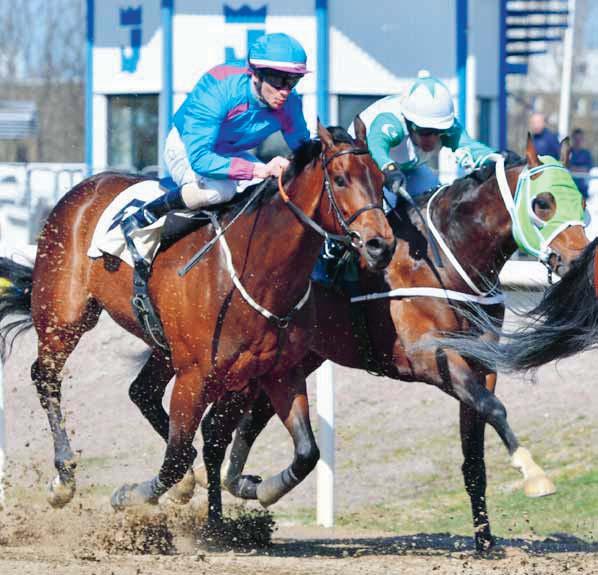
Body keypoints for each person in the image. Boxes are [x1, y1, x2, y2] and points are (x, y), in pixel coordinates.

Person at [121, 32, 310, 239]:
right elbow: (201, 159)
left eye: (292, 81)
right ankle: (148, 215)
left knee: (269, 191)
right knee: (220, 190)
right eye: (277, 80)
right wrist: (259, 169)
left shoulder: (291, 102)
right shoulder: (218, 89)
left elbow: (305, 149)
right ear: (255, 75)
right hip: (188, 148)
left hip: (231, 152)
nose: (285, 91)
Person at [350, 70, 497, 210]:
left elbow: (469, 146)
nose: (432, 139)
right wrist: (389, 167)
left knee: (434, 202)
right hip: (369, 165)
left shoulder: (446, 124)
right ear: (409, 123)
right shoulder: (393, 122)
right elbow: (377, 146)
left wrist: (499, 158)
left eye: (438, 131)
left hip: (408, 167)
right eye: (425, 131)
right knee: (387, 208)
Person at [569, 128, 593, 199]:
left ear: (582, 139)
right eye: (576, 139)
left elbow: (587, 169)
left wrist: (573, 168)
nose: (578, 141)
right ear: (572, 139)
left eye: (579, 139)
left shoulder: (586, 154)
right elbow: (565, 168)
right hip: (569, 188)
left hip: (582, 190)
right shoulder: (567, 153)